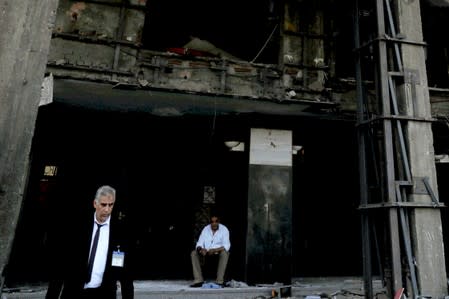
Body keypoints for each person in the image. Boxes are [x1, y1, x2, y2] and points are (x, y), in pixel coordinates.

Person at [47, 185, 134, 299]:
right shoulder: (78, 226)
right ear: (95, 204)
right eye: (103, 205)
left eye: (111, 205)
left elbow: (126, 275)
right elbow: (61, 265)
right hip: (74, 291)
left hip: (104, 293)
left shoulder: (119, 233)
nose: (107, 209)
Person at [190, 214, 230, 287]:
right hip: (206, 252)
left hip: (218, 252)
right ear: (210, 223)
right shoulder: (206, 229)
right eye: (212, 222)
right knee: (194, 253)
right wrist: (201, 249)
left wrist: (215, 250)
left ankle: (219, 281)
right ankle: (198, 280)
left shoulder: (224, 229)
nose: (214, 223)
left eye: (216, 221)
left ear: (219, 222)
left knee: (225, 253)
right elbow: (199, 243)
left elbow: (227, 245)